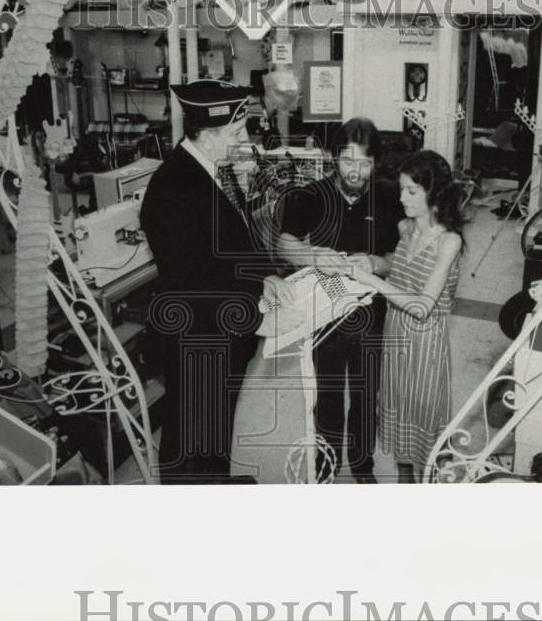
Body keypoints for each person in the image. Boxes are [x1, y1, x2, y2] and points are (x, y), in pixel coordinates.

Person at [141, 79, 291, 484]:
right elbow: (191, 279)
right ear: (209, 134)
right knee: (190, 434)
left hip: (222, 332)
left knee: (216, 426)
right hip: (198, 337)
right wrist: (255, 305)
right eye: (238, 133)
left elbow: (236, 238)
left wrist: (266, 276)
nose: (247, 141)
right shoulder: (172, 189)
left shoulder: (212, 170)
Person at [276, 118, 402, 483]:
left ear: (376, 163)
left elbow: (403, 256)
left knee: (366, 394)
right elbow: (284, 244)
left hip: (370, 313)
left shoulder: (390, 197)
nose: (356, 171)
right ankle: (326, 466)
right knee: (327, 394)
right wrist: (314, 255)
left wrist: (377, 263)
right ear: (334, 159)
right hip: (324, 313)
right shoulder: (310, 196)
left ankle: (362, 466)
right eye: (348, 161)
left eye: (365, 163)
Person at [351, 150, 466, 483]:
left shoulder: (449, 242)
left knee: (424, 418)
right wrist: (374, 263)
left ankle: (427, 486)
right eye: (401, 189)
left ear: (434, 194)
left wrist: (371, 281)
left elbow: (422, 305)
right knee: (399, 411)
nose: (402, 198)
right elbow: (400, 270)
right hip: (395, 333)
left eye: (411, 191)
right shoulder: (405, 228)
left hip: (425, 342)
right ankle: (404, 482)